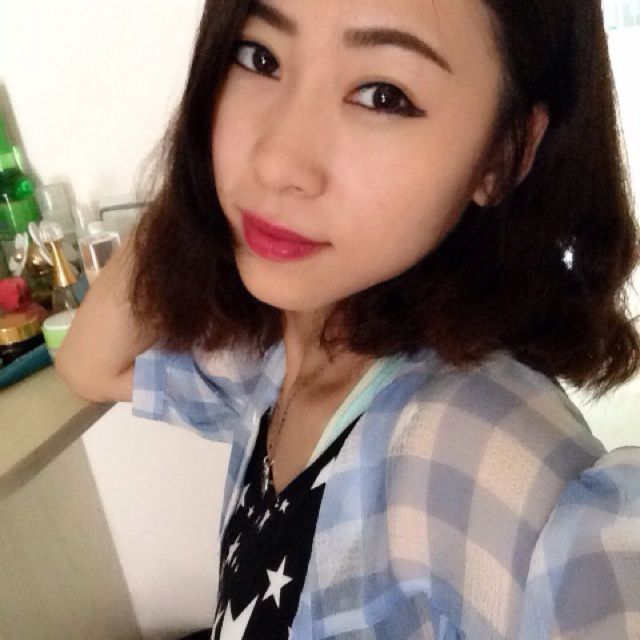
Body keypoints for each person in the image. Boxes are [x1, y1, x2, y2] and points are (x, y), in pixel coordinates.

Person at [56, 0, 640, 638]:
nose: (276, 163)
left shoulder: (472, 441)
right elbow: (90, 363)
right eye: (259, 57)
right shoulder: (280, 356)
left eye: (383, 95)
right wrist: (200, 169)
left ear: (502, 154)